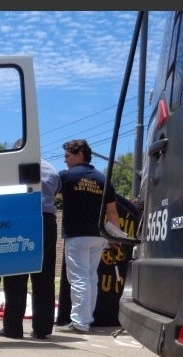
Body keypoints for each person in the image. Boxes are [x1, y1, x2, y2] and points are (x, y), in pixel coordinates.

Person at [55, 139, 121, 334]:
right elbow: (112, 212)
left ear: (80, 154)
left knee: (78, 278)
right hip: (99, 236)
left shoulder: (66, 177)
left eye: (68, 156)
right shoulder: (102, 179)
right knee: (91, 277)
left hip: (77, 236)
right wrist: (116, 237)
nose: (65, 160)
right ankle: (87, 319)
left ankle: (79, 323)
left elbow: (52, 196)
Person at [0, 158, 60, 339]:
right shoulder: (51, 168)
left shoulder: (12, 165)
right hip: (47, 221)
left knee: (15, 277)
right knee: (44, 278)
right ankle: (42, 329)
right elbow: (58, 192)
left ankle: (13, 329)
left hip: (21, 219)